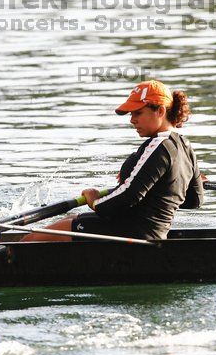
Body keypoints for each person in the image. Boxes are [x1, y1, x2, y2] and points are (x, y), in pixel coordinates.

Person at [22, 80, 204, 242]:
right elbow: (194, 199)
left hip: (132, 233)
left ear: (161, 111)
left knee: (33, 238)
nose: (132, 120)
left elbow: (129, 195)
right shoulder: (186, 146)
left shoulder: (159, 145)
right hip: (149, 232)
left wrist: (95, 201)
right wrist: (173, 185)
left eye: (138, 113)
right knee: (67, 221)